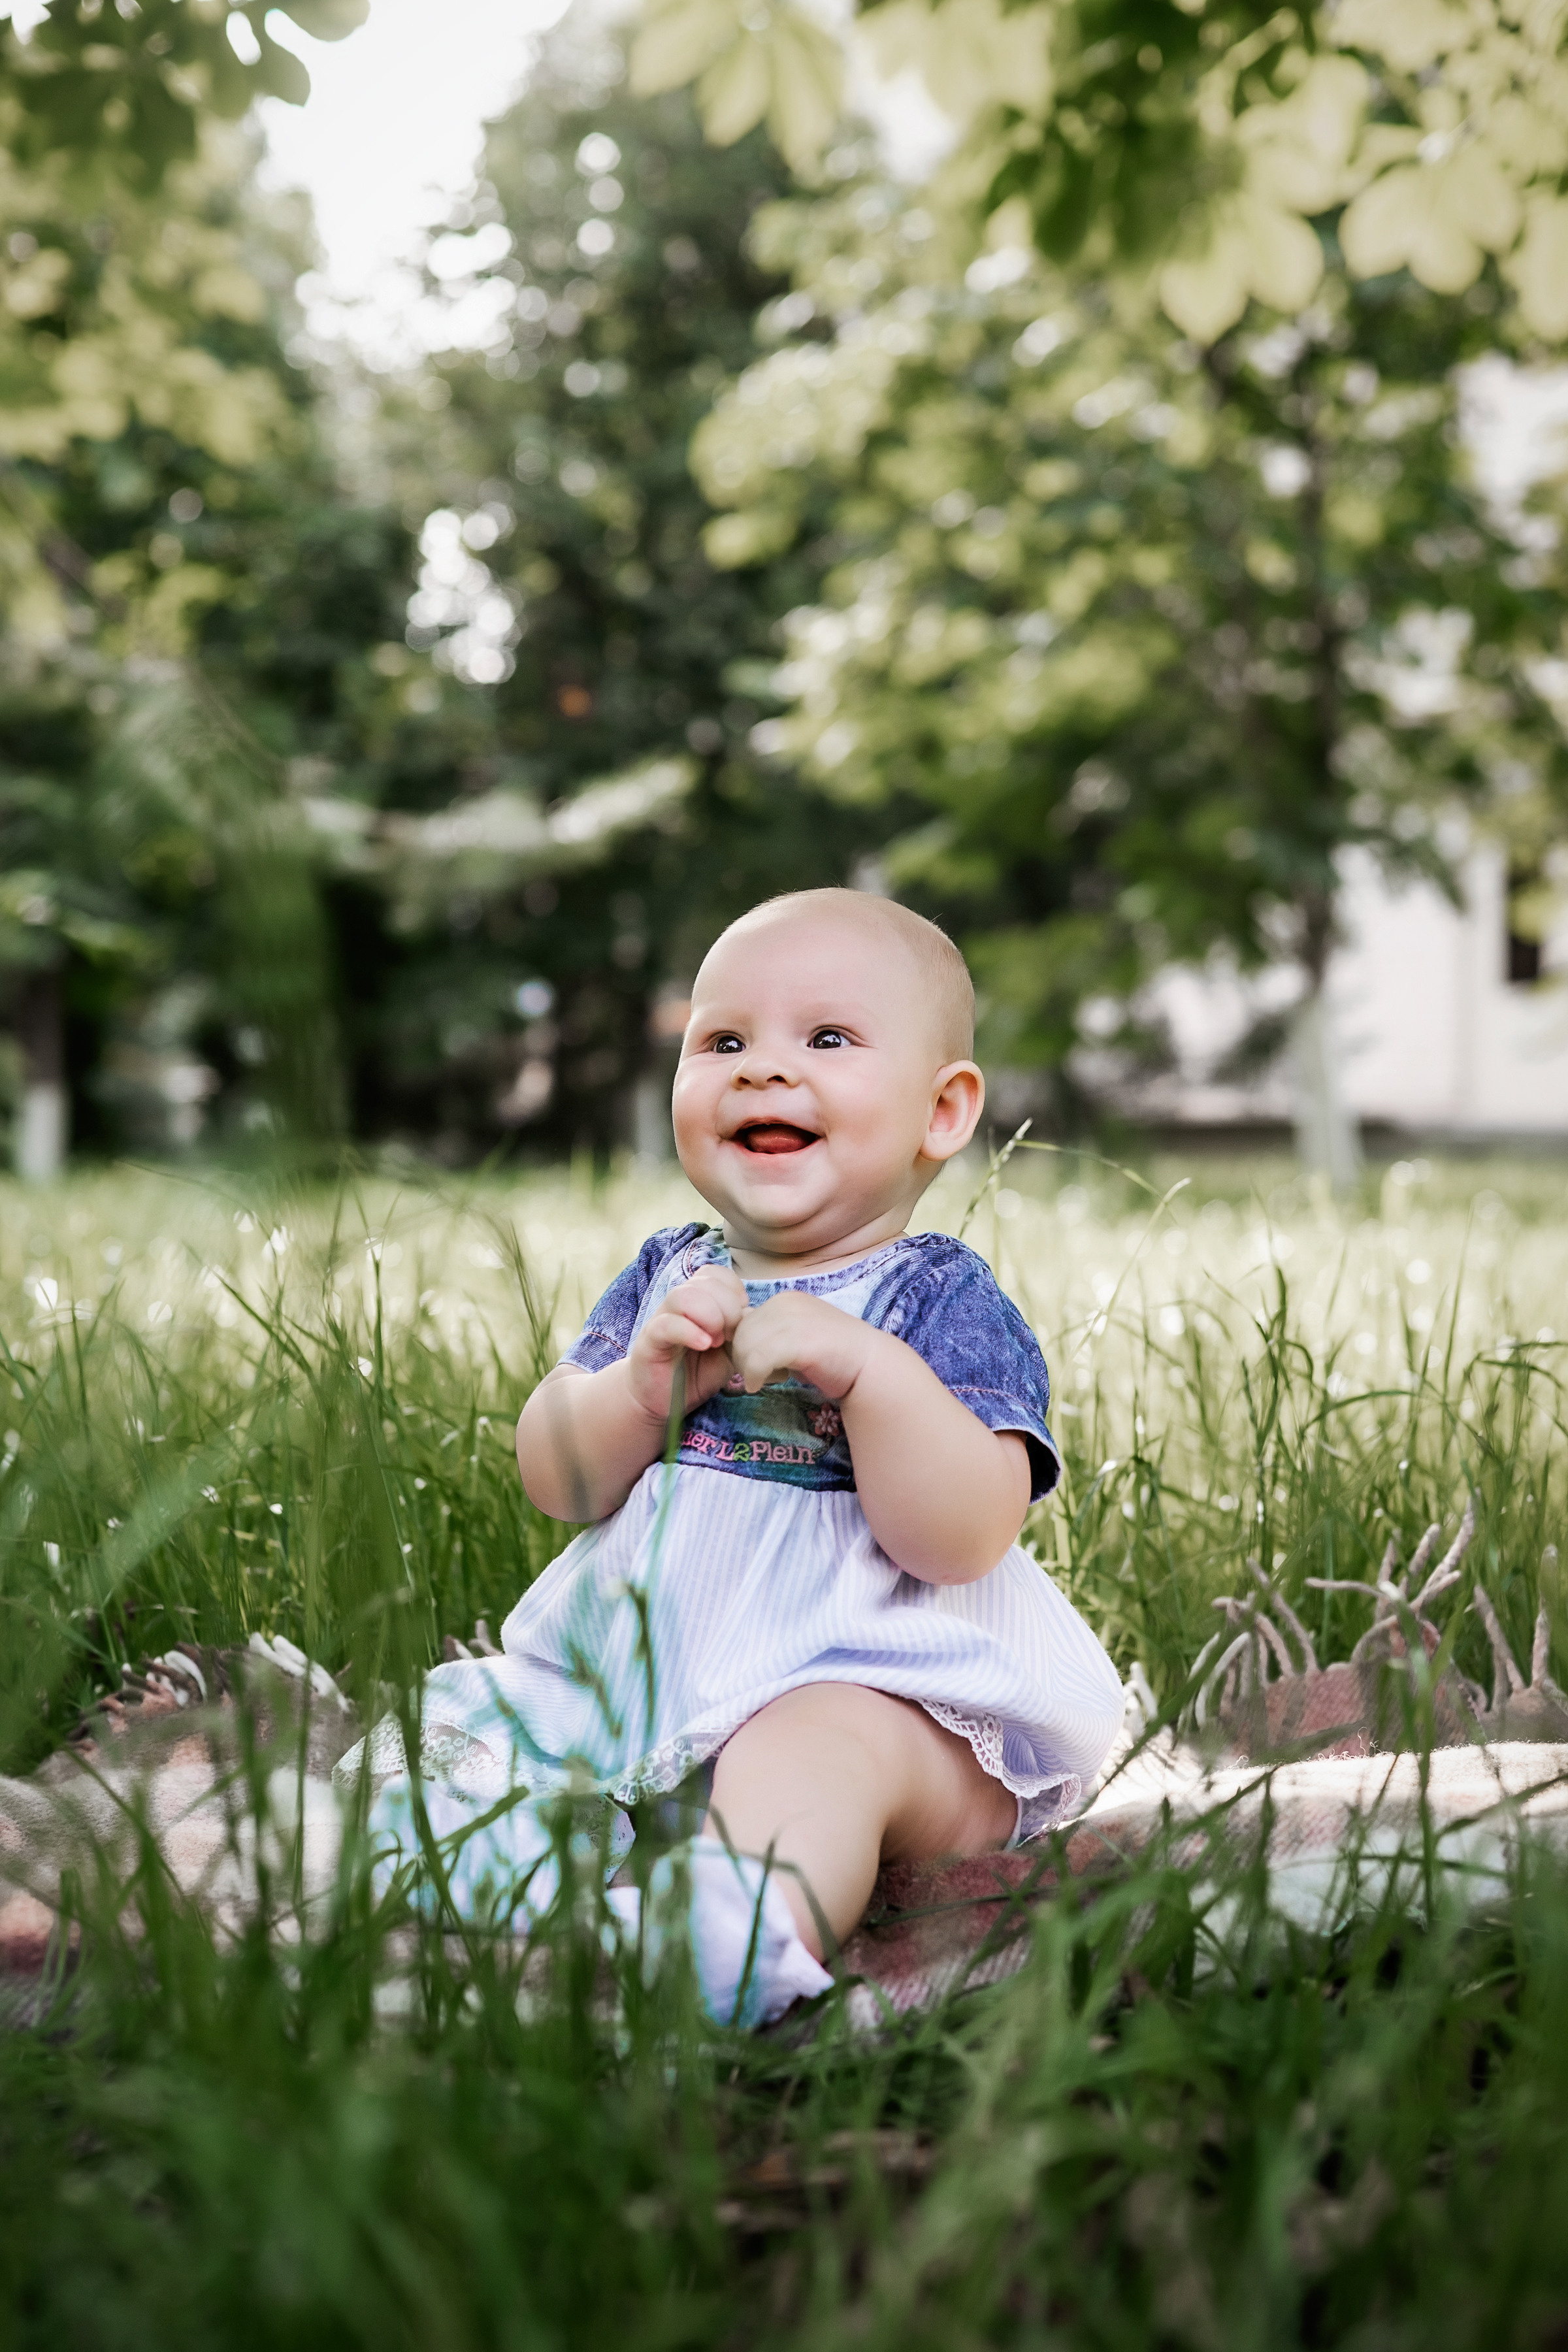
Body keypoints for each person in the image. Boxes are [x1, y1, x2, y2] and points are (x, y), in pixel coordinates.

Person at [346, 890, 1122, 2022]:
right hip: (639, 1680)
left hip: (876, 1688)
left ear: (943, 1110)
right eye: (723, 1041)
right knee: (458, 1736)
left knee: (816, 1756)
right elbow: (557, 1480)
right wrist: (637, 1393)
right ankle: (520, 1875)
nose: (762, 1070)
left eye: (827, 1039)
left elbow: (961, 1538)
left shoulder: (937, 1299)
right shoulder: (672, 1277)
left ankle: (730, 1929)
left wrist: (867, 1376)